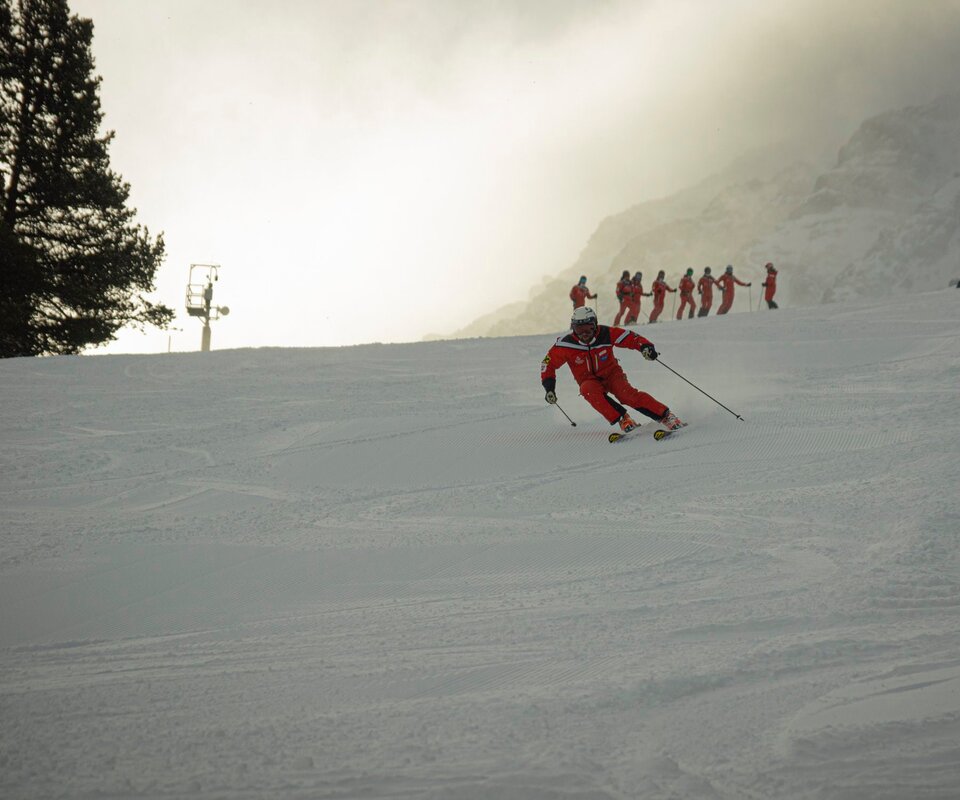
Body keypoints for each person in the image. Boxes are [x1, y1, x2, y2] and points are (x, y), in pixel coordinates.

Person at [541, 306, 686, 433]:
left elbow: (630, 337)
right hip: (588, 380)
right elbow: (548, 364)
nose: (584, 334)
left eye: (588, 329)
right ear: (573, 328)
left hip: (612, 374)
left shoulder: (605, 333)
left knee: (627, 395)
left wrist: (645, 347)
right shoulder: (566, 345)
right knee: (587, 389)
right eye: (579, 329)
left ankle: (666, 416)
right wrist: (549, 388)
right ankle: (624, 419)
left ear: (595, 325)